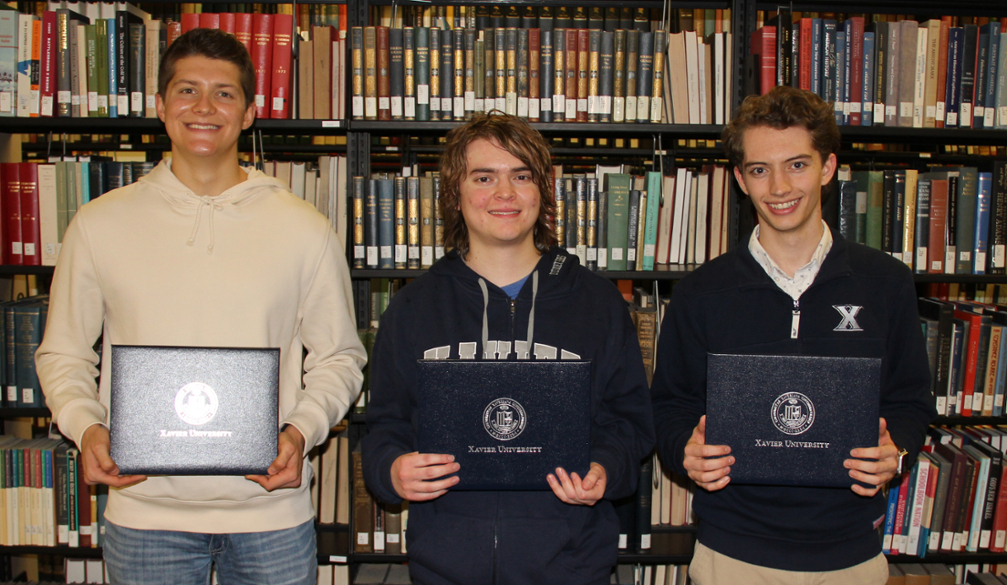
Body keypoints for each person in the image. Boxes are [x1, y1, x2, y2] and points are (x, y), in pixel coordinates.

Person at [35, 28, 365, 584]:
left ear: (251, 111)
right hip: (143, 512)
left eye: (224, 93)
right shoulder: (99, 224)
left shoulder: (304, 229)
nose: (205, 107)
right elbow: (63, 354)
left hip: (271, 515)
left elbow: (340, 358)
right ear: (160, 106)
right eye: (187, 90)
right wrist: (87, 428)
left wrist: (301, 431)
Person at [650, 85, 936, 585]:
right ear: (741, 179)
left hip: (850, 555)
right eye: (760, 170)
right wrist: (684, 451)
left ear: (828, 168)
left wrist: (899, 452)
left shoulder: (886, 282)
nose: (779, 186)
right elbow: (669, 406)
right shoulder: (701, 291)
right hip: (731, 554)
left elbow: (911, 400)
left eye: (797, 165)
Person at [361, 112, 655, 585]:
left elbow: (630, 422)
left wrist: (605, 467)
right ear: (454, 196)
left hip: (572, 564)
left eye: (521, 176)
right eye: (484, 177)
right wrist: (391, 470)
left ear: (543, 191)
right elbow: (385, 425)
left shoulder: (598, 302)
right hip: (446, 564)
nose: (505, 193)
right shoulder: (414, 306)